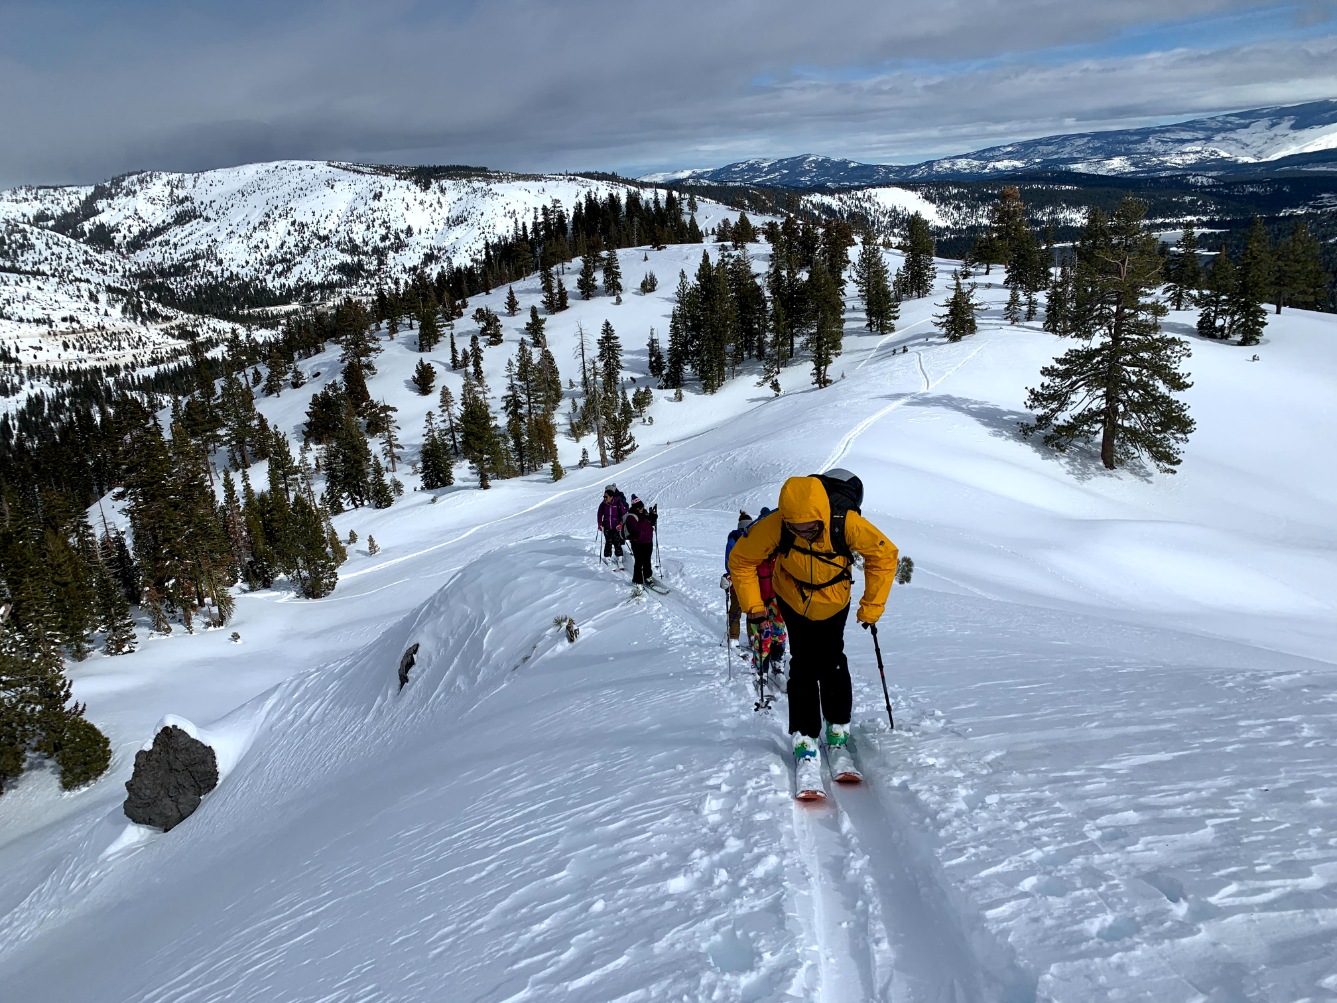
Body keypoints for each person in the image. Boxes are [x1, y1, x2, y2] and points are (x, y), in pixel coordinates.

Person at [728, 475, 897, 794]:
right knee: (804, 663)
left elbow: (884, 555)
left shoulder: (844, 523)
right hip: (791, 598)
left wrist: (871, 606)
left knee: (832, 660)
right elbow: (742, 559)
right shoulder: (778, 523)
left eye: (808, 528)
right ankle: (805, 740)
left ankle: (838, 736)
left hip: (834, 601)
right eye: (795, 527)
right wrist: (754, 606)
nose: (800, 533)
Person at [622, 495, 658, 585]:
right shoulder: (631, 516)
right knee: (639, 562)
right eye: (638, 507)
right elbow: (638, 528)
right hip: (637, 543)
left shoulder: (645, 513)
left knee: (647, 561)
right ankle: (637, 580)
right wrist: (648, 519)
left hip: (648, 541)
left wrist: (653, 518)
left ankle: (648, 577)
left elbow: (650, 524)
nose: (640, 509)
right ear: (634, 508)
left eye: (641, 507)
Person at [597, 484, 628, 569]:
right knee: (608, 543)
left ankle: (620, 561)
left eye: (606, 497)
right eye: (604, 497)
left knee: (617, 543)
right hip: (606, 527)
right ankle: (608, 559)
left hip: (616, 527)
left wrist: (620, 525)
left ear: (611, 497)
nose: (604, 498)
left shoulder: (618, 502)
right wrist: (599, 524)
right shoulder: (603, 504)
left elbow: (624, 514)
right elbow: (599, 514)